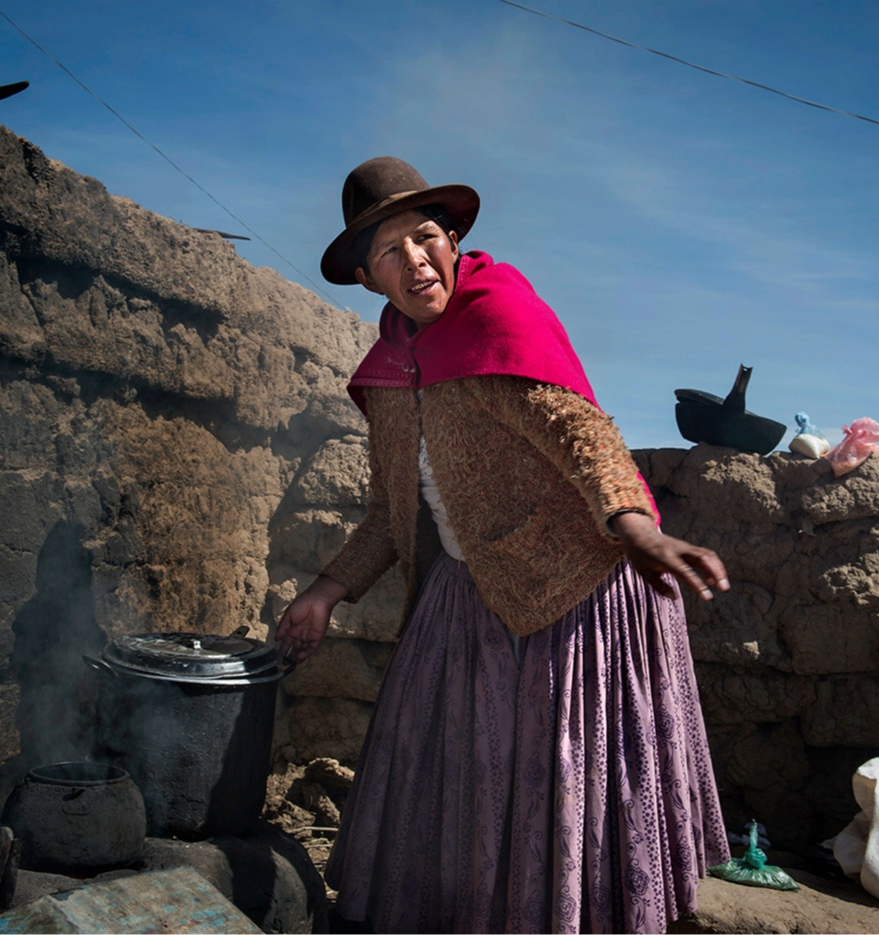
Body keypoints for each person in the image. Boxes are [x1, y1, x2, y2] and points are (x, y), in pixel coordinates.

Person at [277, 156, 731, 934]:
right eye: (390, 251)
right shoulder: (390, 372)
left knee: (561, 783)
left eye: (426, 237)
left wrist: (635, 525)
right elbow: (394, 509)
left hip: (571, 588)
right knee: (453, 784)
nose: (416, 260)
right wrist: (324, 590)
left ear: (452, 238)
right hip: (467, 594)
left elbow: (580, 432)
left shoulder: (498, 320)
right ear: (365, 276)